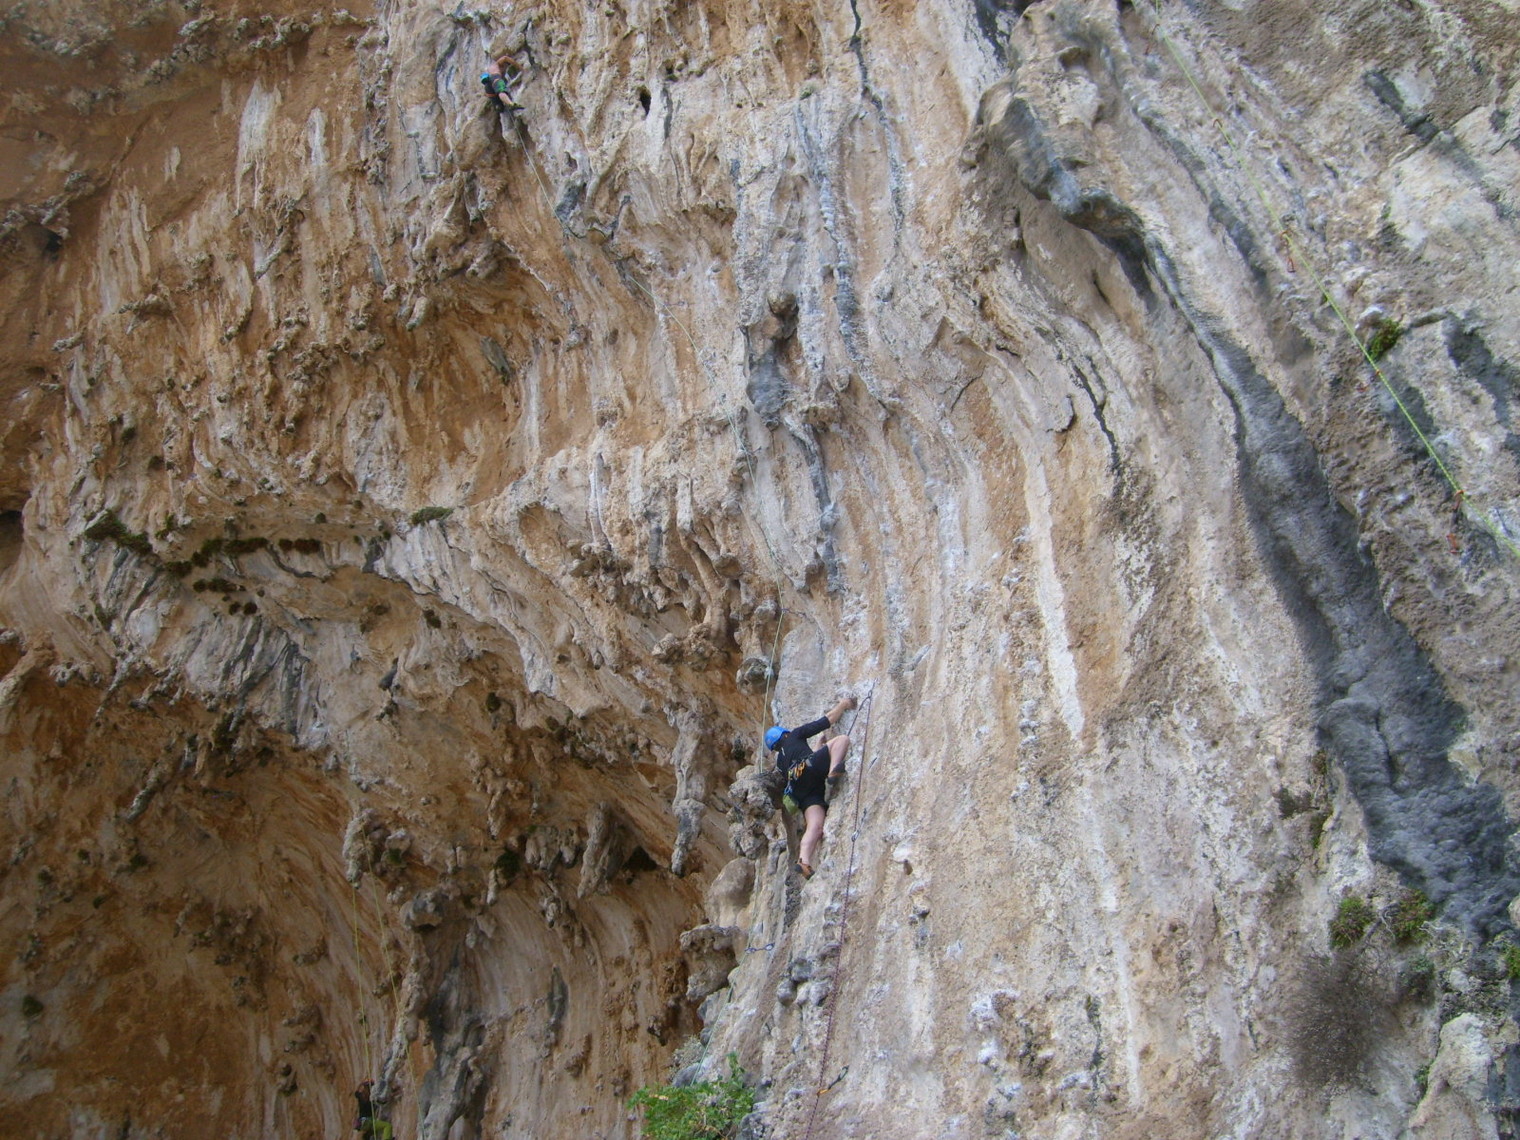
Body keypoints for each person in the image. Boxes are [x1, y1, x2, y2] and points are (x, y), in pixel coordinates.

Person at [766, 696, 857, 879]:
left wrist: (817, 748)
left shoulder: (780, 761)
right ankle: (833, 771)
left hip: (801, 791)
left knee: (815, 826)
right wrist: (844, 704)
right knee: (842, 740)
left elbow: (800, 766)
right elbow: (828, 719)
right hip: (811, 771)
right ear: (785, 734)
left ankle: (804, 860)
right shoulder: (795, 734)